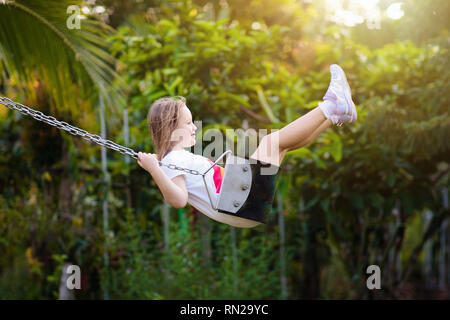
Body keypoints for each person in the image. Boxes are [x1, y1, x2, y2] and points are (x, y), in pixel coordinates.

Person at [137, 64, 357, 228]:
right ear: (169, 128)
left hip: (243, 204)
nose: (194, 127)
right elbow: (178, 200)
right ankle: (331, 104)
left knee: (282, 146)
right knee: (270, 141)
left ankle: (336, 114)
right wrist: (154, 168)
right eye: (188, 123)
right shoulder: (170, 162)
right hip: (240, 204)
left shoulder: (175, 159)